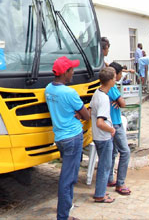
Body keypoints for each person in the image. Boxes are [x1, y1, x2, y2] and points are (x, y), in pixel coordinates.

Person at [45, 56, 90, 220]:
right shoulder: (69, 93)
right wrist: (80, 113)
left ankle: (67, 208)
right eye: (71, 70)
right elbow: (86, 115)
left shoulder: (48, 89)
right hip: (72, 137)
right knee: (68, 178)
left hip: (60, 138)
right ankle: (63, 216)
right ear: (65, 72)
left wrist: (76, 113)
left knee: (68, 175)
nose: (73, 73)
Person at [90, 67, 116, 203]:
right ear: (110, 80)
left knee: (103, 165)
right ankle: (100, 194)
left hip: (97, 135)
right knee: (105, 166)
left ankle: (101, 192)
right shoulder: (104, 99)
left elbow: (90, 112)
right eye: (115, 78)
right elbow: (101, 122)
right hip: (103, 136)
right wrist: (111, 130)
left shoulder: (97, 93)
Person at [106, 62, 131, 195]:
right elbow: (123, 103)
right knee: (125, 152)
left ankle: (110, 178)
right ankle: (120, 183)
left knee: (113, 152)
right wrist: (119, 101)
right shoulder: (112, 88)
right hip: (115, 122)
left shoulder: (104, 87)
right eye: (120, 73)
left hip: (109, 122)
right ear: (115, 75)